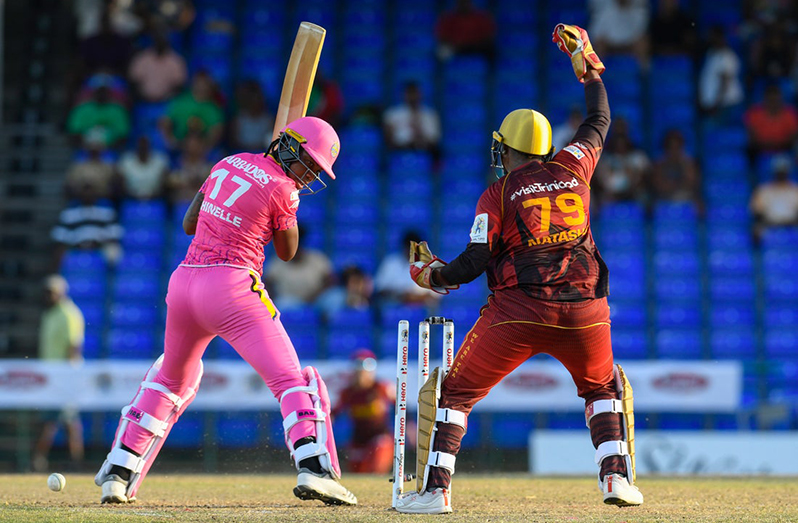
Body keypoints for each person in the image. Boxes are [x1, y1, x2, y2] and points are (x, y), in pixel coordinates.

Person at [395, 24, 643, 514]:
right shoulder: (574, 166)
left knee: (455, 393)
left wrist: (432, 276)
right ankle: (616, 481)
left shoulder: (499, 192)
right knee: (602, 389)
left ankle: (435, 492)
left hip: (520, 310)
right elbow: (599, 117)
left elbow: (475, 262)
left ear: (505, 149)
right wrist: (587, 64)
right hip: (586, 309)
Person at [94, 116, 357, 506]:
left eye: (316, 170)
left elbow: (188, 223)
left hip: (184, 284)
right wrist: (287, 205)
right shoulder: (285, 189)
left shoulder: (227, 162)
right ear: (290, 149)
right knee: (292, 380)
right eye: (309, 164)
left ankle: (119, 471)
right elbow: (287, 253)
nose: (309, 176)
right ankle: (315, 468)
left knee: (171, 380)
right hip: (232, 288)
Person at [32, 275, 86, 472]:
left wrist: (69, 378)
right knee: (61, 420)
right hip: (50, 376)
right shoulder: (50, 314)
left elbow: (73, 347)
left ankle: (68, 461)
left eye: (51, 293)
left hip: (63, 377)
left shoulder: (68, 314)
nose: (47, 297)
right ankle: (62, 460)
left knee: (61, 420)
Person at [331, 349, 395, 474]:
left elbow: (401, 406)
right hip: (358, 439)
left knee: (377, 464)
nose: (362, 372)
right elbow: (334, 413)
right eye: (359, 366)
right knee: (357, 472)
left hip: (380, 436)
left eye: (367, 367)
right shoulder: (348, 393)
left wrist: (409, 427)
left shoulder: (382, 388)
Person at [264, 224, 334, 310]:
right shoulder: (277, 262)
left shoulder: (317, 259)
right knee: (281, 305)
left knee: (331, 300)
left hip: (315, 302)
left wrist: (315, 296)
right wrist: (274, 296)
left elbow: (330, 281)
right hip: (287, 303)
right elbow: (267, 283)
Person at [159, 71, 224, 150]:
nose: (201, 87)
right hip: (179, 146)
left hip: (202, 150)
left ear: (209, 86)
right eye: (199, 83)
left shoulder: (213, 108)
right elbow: (165, 121)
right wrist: (171, 141)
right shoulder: (181, 101)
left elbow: (216, 131)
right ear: (193, 83)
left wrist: (204, 148)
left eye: (204, 84)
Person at [374, 230, 441, 308]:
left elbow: (436, 296)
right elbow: (380, 289)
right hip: (395, 311)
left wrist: (415, 298)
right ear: (404, 247)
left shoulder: (431, 265)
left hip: (422, 312)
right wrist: (402, 296)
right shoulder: (391, 263)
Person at [699, 25, 745, 122]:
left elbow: (724, 82)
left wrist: (716, 105)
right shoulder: (711, 53)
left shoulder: (727, 56)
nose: (710, 39)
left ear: (720, 37)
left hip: (725, 105)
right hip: (713, 104)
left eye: (713, 37)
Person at [128, 28, 188, 103]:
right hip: (143, 103)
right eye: (158, 38)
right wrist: (141, 96)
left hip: (167, 104)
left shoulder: (176, 61)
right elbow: (133, 82)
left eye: (163, 38)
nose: (160, 41)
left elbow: (179, 86)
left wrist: (168, 97)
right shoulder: (142, 58)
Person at [382, 82, 441, 156]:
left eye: (415, 93)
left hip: (426, 151)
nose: (412, 97)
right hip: (400, 151)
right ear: (404, 95)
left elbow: (434, 139)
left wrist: (419, 136)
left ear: (420, 94)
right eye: (410, 93)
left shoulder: (430, 114)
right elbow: (389, 140)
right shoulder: (392, 114)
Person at [750, 154, 798, 241]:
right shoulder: (763, 190)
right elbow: (757, 211)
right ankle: (760, 253)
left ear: (788, 172)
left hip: (792, 225)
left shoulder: (795, 190)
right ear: (774, 172)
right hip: (769, 225)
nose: (781, 174)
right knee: (756, 231)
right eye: (779, 171)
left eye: (783, 171)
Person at [651, 129, 702, 209]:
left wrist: (683, 164)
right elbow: (659, 186)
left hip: (686, 198)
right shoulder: (659, 164)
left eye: (677, 147)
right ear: (666, 148)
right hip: (664, 198)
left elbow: (692, 183)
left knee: (699, 204)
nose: (674, 151)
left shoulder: (689, 162)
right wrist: (679, 184)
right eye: (671, 147)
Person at [588, 0, 649, 65]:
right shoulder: (605, 13)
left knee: (642, 44)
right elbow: (596, 35)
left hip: (631, 45)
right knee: (599, 45)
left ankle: (644, 72)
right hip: (609, 46)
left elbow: (640, 34)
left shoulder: (639, 13)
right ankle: (595, 71)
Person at [744, 83, 798, 158]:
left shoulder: (790, 114)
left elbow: (793, 137)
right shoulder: (754, 114)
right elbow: (752, 138)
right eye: (771, 100)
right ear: (765, 99)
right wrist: (769, 146)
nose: (773, 103)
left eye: (776, 100)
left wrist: (778, 147)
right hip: (759, 151)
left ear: (781, 99)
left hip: (785, 150)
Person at [117, 135, 170, 200]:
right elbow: (121, 184)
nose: (143, 148)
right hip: (131, 199)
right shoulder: (126, 161)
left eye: (145, 146)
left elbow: (165, 182)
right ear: (137, 147)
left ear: (149, 146)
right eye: (141, 146)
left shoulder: (160, 161)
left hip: (155, 199)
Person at [230, 79, 274, 152]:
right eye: (251, 99)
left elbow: (271, 142)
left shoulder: (269, 119)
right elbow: (234, 141)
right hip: (241, 153)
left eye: (257, 99)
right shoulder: (238, 119)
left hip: (262, 153)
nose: (254, 102)